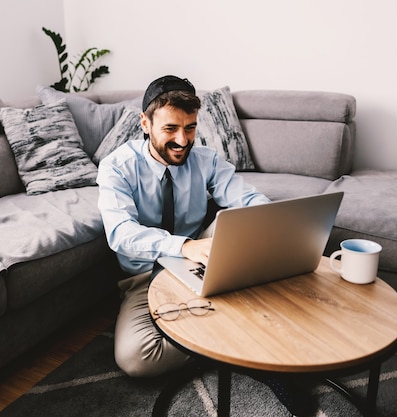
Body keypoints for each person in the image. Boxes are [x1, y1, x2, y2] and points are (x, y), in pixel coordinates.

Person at [96, 75, 313, 416]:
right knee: (135, 358)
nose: (182, 140)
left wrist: (274, 221)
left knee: (241, 222)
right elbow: (121, 233)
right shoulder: (117, 168)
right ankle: (241, 339)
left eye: (191, 128)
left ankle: (224, 336)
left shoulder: (206, 159)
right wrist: (182, 247)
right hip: (145, 276)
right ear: (144, 123)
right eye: (170, 129)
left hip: (203, 258)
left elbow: (246, 198)